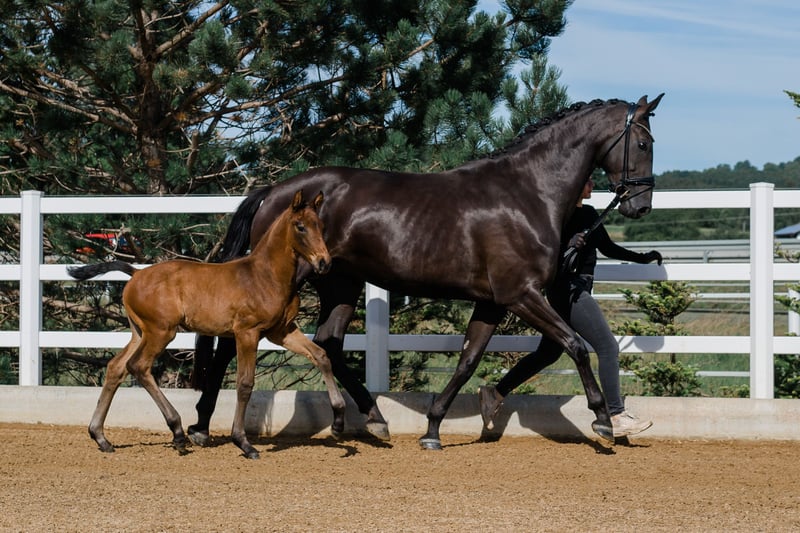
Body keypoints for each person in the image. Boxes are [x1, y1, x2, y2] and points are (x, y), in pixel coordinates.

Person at [479, 177, 662, 437]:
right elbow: (542, 252)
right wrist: (568, 243)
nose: (592, 185)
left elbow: (608, 247)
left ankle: (494, 393)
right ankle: (616, 414)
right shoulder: (557, 215)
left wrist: (641, 258)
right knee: (607, 347)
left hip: (578, 287)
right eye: (588, 181)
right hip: (569, 289)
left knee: (548, 353)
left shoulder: (589, 213)